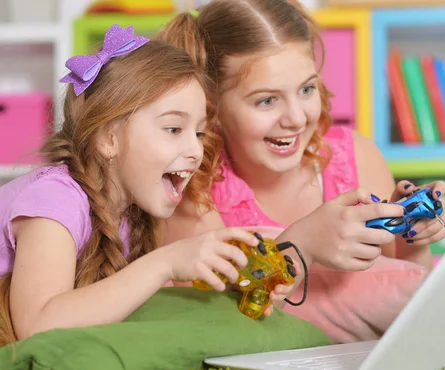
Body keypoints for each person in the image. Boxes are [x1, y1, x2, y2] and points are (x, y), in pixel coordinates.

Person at [156, 0, 445, 341]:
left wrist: (413, 237)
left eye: (306, 89)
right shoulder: (194, 187)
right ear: (212, 106)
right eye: (267, 100)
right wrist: (303, 244)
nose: (296, 118)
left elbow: (406, 298)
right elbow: (220, 325)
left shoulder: (353, 155)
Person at [0, 24, 276, 347]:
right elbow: (38, 325)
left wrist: (231, 283)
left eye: (199, 133)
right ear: (108, 138)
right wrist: (165, 263)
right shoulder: (55, 200)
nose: (195, 150)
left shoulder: (132, 214)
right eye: (174, 129)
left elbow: (124, 307)